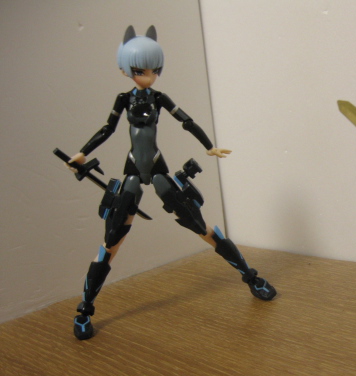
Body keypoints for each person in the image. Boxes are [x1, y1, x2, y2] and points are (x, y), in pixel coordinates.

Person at [66, 26, 276, 341]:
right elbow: (107, 129)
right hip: (133, 169)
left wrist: (209, 146)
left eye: (154, 70)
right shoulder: (123, 99)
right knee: (112, 239)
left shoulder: (159, 98)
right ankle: (84, 310)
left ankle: (251, 277)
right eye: (141, 71)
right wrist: (82, 153)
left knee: (196, 222)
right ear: (126, 70)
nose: (149, 77)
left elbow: (186, 121)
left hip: (158, 167)